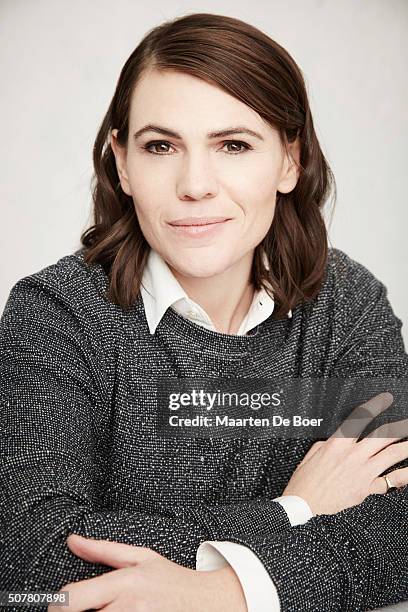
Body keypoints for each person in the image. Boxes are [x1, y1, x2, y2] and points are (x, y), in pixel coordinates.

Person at [1, 12, 407, 612]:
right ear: (122, 163)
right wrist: (291, 512)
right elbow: (26, 557)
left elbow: (398, 524)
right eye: (161, 146)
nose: (195, 184)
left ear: (289, 161)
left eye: (234, 145)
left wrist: (223, 592)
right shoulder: (58, 314)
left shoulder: (348, 304)